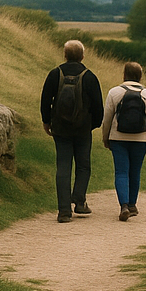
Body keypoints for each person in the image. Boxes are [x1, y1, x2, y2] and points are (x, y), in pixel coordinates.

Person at [40, 39, 104, 222]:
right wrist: (93, 124)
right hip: (83, 129)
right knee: (83, 166)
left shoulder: (55, 74)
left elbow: (45, 100)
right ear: (83, 56)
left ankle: (64, 211)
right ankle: (80, 200)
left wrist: (47, 121)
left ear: (65, 55)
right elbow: (98, 106)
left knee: (63, 167)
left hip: (60, 129)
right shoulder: (89, 76)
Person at [101, 61, 146, 221]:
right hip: (141, 140)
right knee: (135, 172)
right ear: (140, 76)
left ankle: (124, 206)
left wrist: (105, 137)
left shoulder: (114, 92)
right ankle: (133, 205)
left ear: (124, 75)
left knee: (121, 172)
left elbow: (107, 118)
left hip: (118, 138)